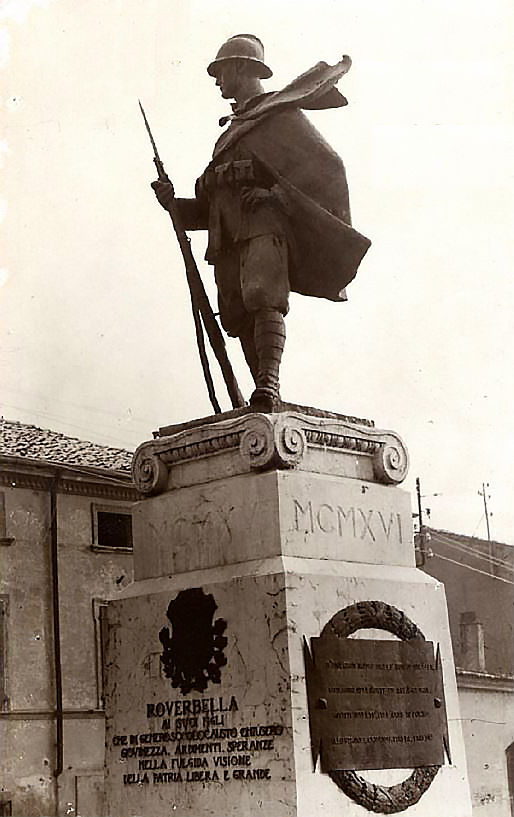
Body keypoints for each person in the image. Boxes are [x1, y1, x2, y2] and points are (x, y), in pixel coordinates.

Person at [152, 34, 370, 411]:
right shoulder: (226, 137)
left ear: (240, 67)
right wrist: (173, 205)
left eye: (221, 72)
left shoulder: (279, 116)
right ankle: (261, 392)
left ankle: (269, 384)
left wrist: (277, 196)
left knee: (263, 296)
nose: (217, 81)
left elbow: (327, 166)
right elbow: (210, 206)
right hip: (226, 240)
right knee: (236, 313)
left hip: (263, 226)